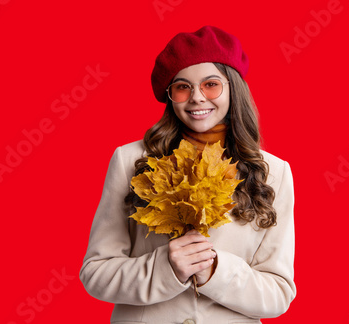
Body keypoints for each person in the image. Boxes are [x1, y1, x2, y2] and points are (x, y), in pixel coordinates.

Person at [79, 25, 296, 324]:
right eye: (183, 87)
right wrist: (164, 267)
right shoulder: (130, 160)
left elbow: (278, 293)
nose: (197, 97)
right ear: (171, 96)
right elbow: (96, 272)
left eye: (211, 84)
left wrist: (216, 270)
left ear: (233, 88)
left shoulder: (275, 173)